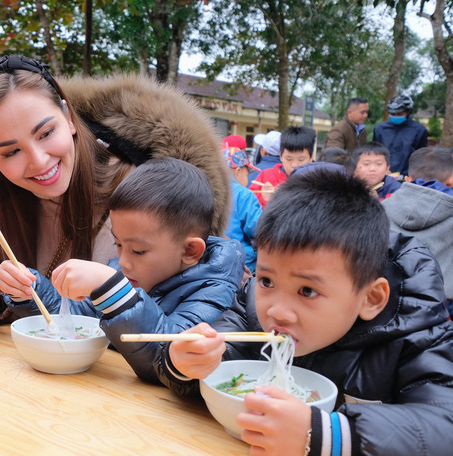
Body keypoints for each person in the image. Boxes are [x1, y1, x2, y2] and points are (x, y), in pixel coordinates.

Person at [0, 55, 231, 346]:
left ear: (69, 116)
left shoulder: (149, 190)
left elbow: (186, 315)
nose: (38, 161)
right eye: (10, 152)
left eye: (46, 133)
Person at [155, 170, 453, 455]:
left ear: (371, 298)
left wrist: (329, 435)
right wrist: (181, 363)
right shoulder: (252, 308)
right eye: (267, 280)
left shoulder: (415, 335)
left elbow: (444, 427)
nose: (277, 311)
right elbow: (210, 365)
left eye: (307, 291)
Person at [0, 157, 244, 383]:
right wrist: (29, 289)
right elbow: (78, 317)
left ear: (190, 251)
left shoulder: (214, 289)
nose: (123, 260)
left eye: (137, 251)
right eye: (118, 244)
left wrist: (114, 291)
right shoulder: (128, 271)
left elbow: (167, 354)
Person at [382, 147, 453, 314]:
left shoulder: (379, 208)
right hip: (442, 307)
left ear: (407, 179)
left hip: (386, 301)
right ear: (451, 181)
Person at [248, 126, 315, 208]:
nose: (294, 165)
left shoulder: (316, 180)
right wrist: (263, 198)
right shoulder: (266, 176)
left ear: (311, 157)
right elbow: (248, 206)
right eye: (289, 159)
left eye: (301, 159)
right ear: (281, 156)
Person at [222, 147, 262, 273]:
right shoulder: (243, 194)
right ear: (238, 171)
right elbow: (258, 229)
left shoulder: (207, 188)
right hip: (240, 266)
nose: (248, 177)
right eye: (247, 173)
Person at [373, 94, 428, 175]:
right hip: (383, 175)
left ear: (408, 111)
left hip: (408, 177)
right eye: (392, 114)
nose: (395, 116)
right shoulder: (380, 129)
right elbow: (374, 153)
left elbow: (421, 157)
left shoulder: (419, 130)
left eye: (399, 114)